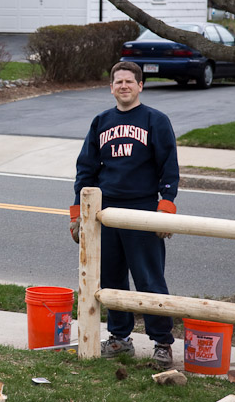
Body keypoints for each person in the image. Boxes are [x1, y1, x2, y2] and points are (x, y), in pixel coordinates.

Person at [69, 61, 178, 368]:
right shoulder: (101, 121)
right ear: (112, 87)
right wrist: (78, 212)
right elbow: (85, 169)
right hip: (105, 214)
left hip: (142, 211)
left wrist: (166, 206)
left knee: (149, 278)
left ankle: (162, 343)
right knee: (111, 279)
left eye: (130, 81)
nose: (124, 86)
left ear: (140, 86)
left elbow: (168, 166)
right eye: (118, 82)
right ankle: (120, 339)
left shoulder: (156, 120)